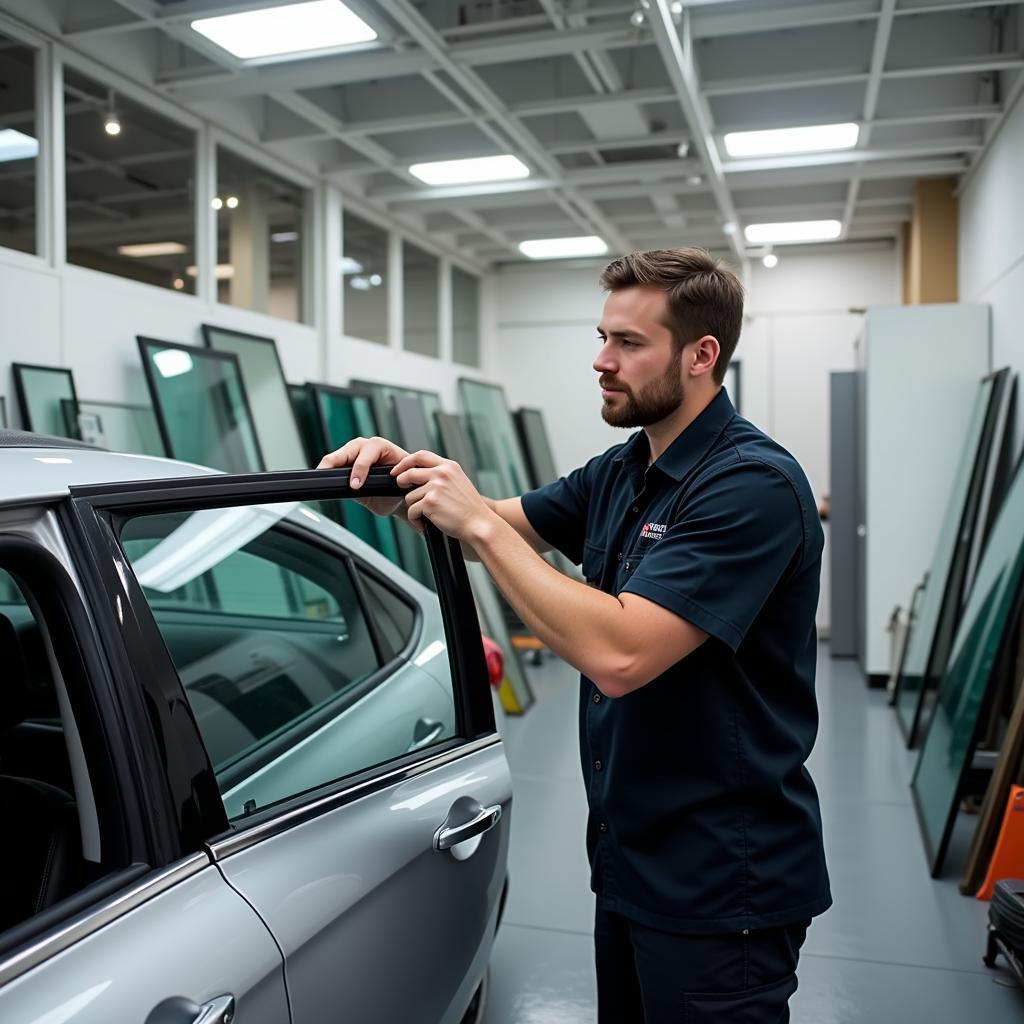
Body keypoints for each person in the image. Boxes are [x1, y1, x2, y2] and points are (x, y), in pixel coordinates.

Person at [319, 247, 830, 1023]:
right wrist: (404, 487)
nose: (601, 361)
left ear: (702, 355)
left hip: (724, 882)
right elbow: (486, 520)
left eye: (629, 343)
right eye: (602, 337)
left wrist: (480, 526)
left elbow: (620, 653)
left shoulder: (751, 485)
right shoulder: (622, 470)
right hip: (631, 860)